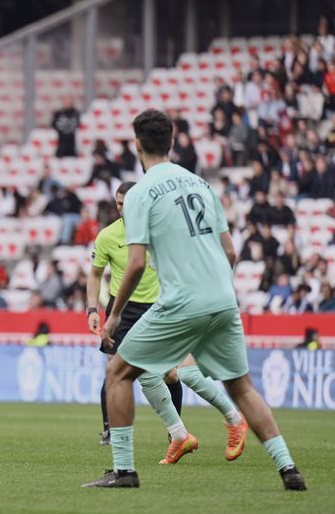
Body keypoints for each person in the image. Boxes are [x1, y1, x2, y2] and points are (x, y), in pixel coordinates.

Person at [85, 109, 305, 490]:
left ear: (137, 144)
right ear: (172, 142)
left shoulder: (139, 193)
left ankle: (123, 471)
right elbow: (231, 252)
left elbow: (135, 263)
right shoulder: (201, 185)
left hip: (180, 301)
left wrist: (114, 315)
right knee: (242, 387)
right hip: (222, 298)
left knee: (117, 373)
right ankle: (289, 469)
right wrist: (215, 292)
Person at [86, 182, 246, 458]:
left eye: (126, 203)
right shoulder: (108, 236)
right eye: (119, 204)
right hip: (124, 309)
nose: (122, 209)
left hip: (164, 304)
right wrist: (92, 309)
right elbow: (95, 274)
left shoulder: (162, 227)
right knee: (123, 371)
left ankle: (231, 419)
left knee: (178, 373)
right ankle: (171, 434)